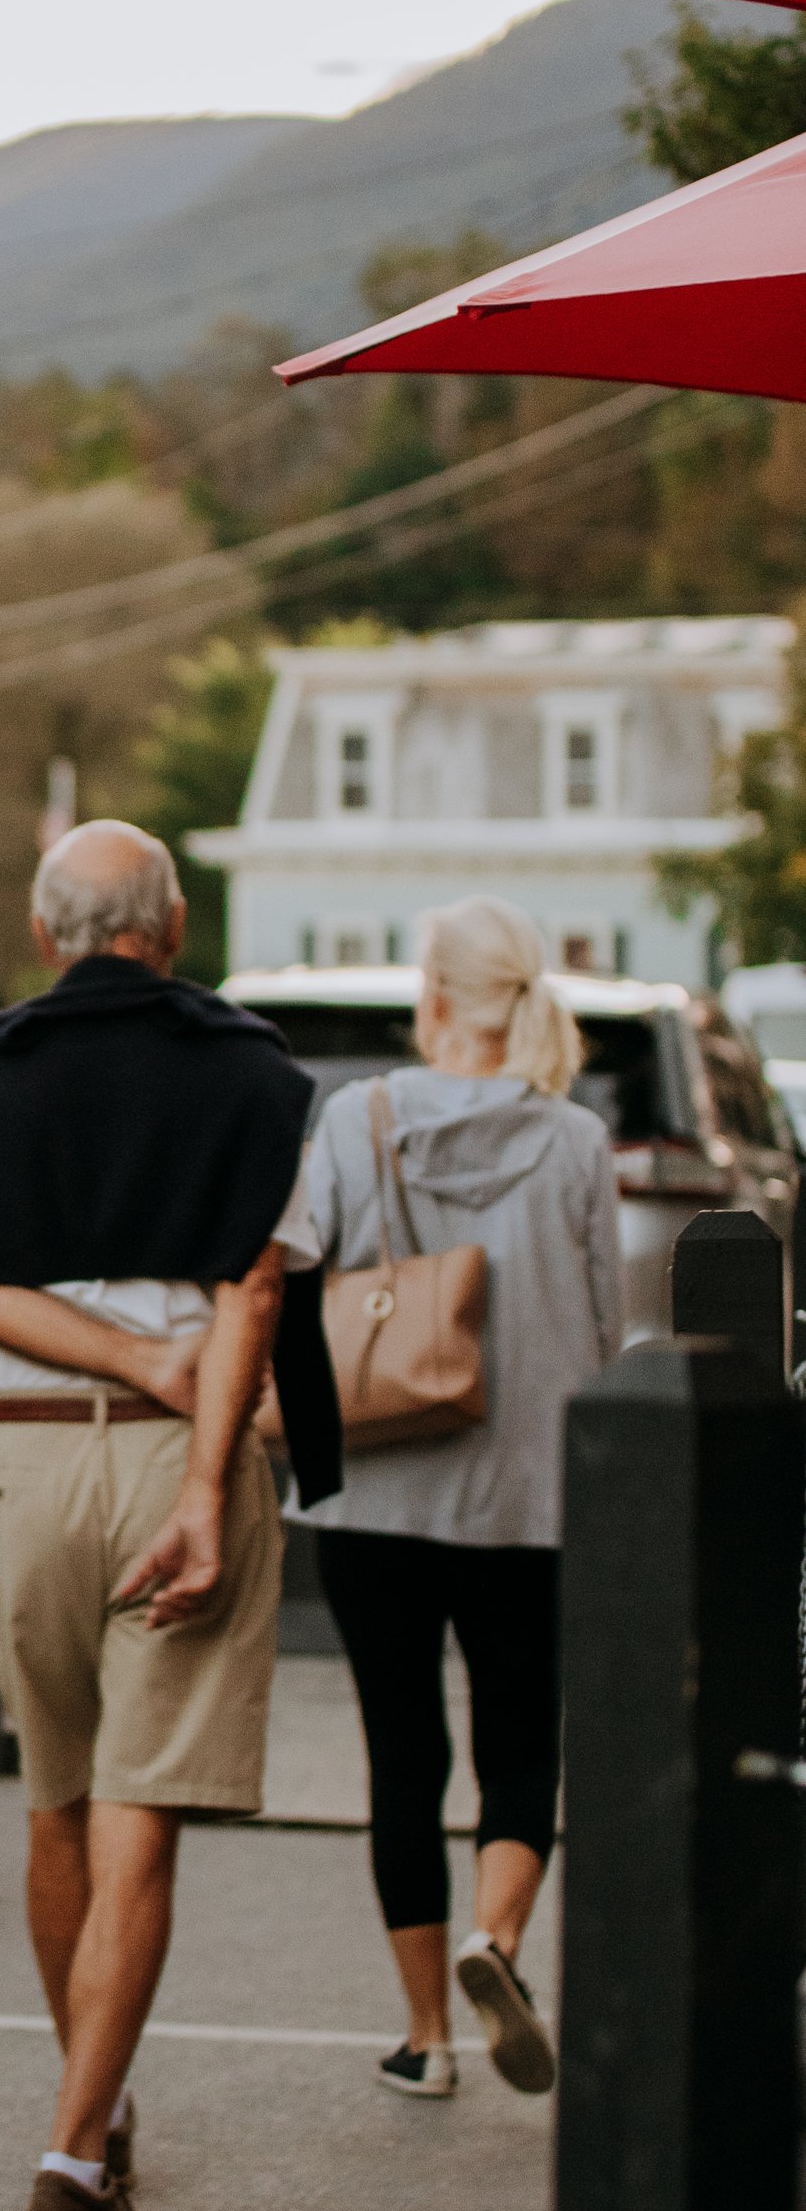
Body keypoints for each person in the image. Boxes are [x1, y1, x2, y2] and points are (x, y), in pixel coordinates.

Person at [0, 821, 340, 2211]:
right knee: (138, 1813)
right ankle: (77, 2148)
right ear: (171, 927)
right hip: (176, 1458)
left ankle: (90, 2109)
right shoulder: (256, 1080)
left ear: (49, 935)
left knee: (56, 1802)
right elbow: (254, 1298)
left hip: (15, 1464)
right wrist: (203, 1476)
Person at [297, 897, 622, 2101]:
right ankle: (500, 1940)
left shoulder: (356, 1117)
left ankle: (424, 2034)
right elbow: (600, 1331)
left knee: (400, 1752)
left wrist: (296, 1452)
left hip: (374, 1487)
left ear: (433, 996)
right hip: (527, 1497)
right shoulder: (577, 1140)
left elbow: (295, 1275)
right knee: (520, 1741)